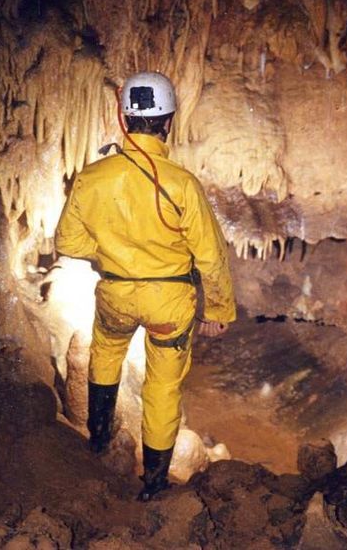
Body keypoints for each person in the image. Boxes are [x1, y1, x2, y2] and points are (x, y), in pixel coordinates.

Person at [54, 71, 236, 501]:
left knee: (106, 354)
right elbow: (210, 256)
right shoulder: (181, 184)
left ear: (124, 118)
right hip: (168, 302)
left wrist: (110, 256)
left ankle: (99, 437)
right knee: (162, 387)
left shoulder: (93, 177)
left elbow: (67, 241)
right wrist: (217, 311)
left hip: (116, 294)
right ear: (168, 122)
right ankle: (153, 482)